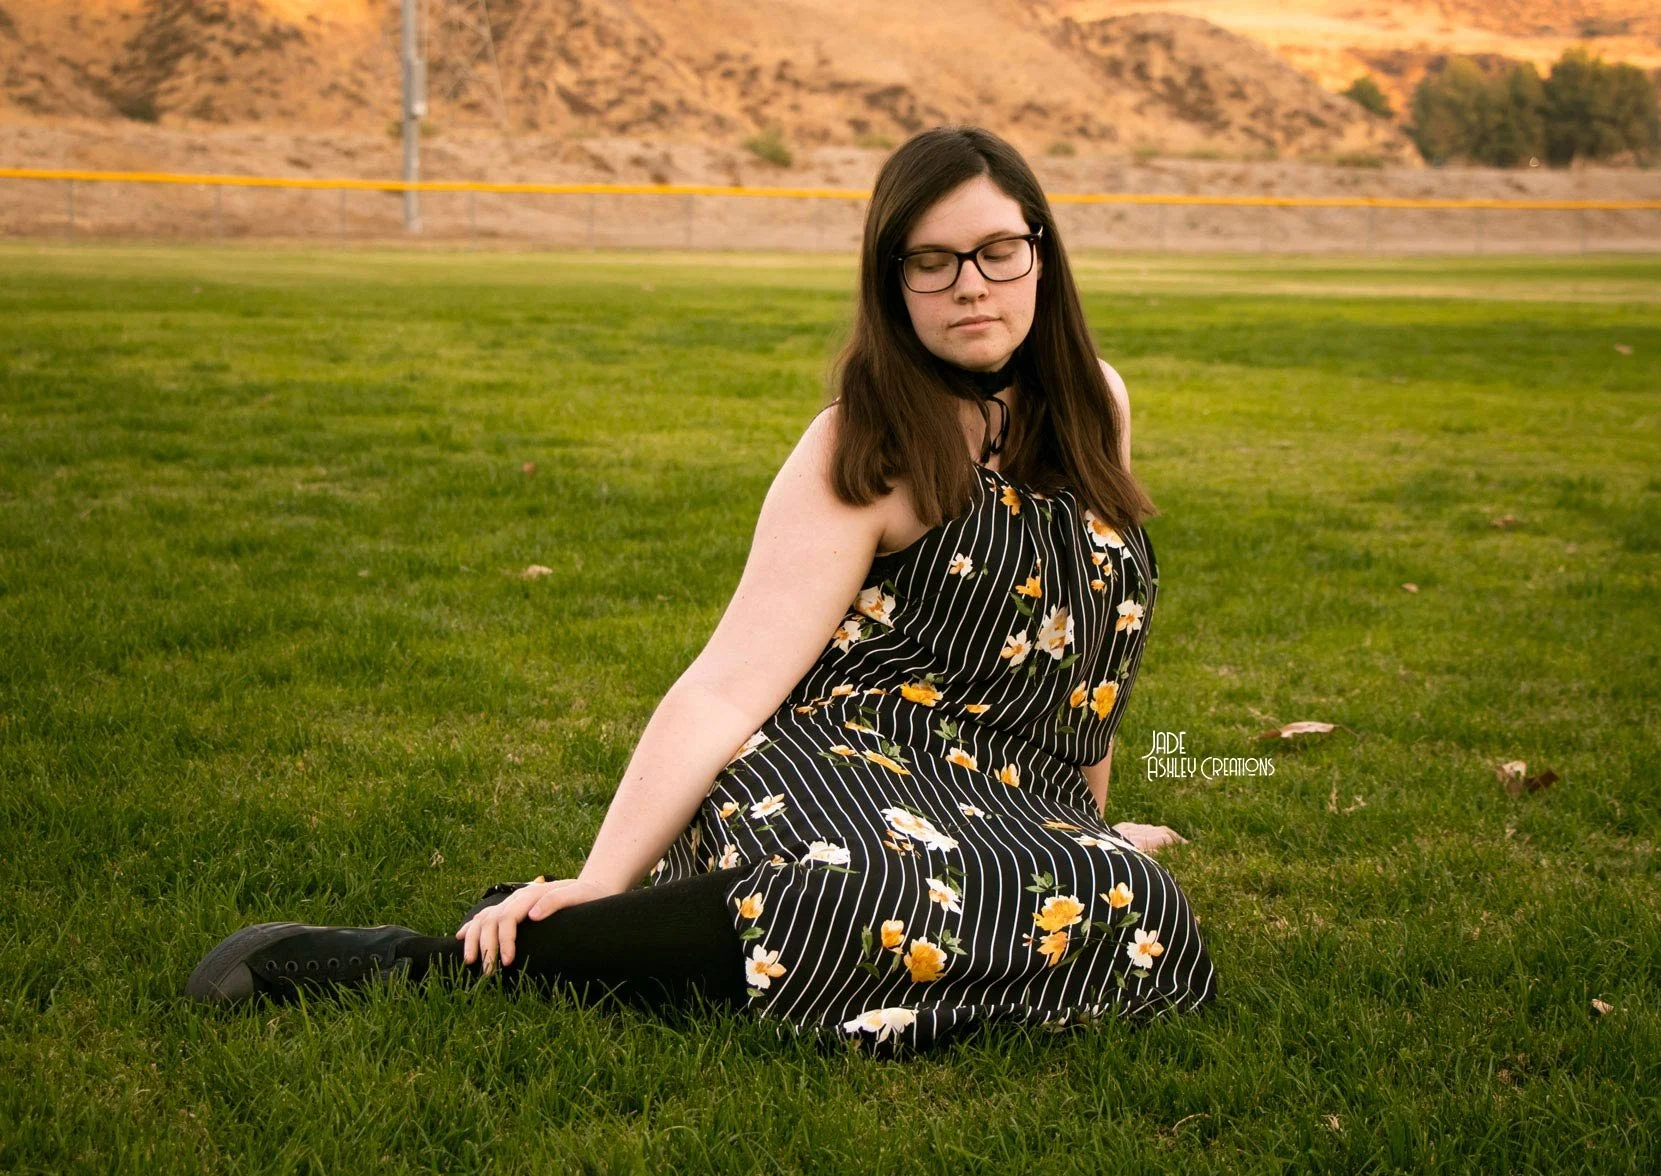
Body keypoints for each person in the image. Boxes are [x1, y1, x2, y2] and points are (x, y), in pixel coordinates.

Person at [185, 125, 1217, 1052]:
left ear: (1041, 252)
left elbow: (1090, 656)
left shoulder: (1095, 407)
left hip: (995, 791)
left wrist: (1082, 827)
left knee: (1134, 901)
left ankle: (1018, 872)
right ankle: (422, 959)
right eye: (932, 263)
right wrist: (599, 879)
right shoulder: (864, 445)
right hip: (845, 762)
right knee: (888, 893)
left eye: (997, 252)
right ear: (892, 282)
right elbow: (727, 684)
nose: (971, 287)